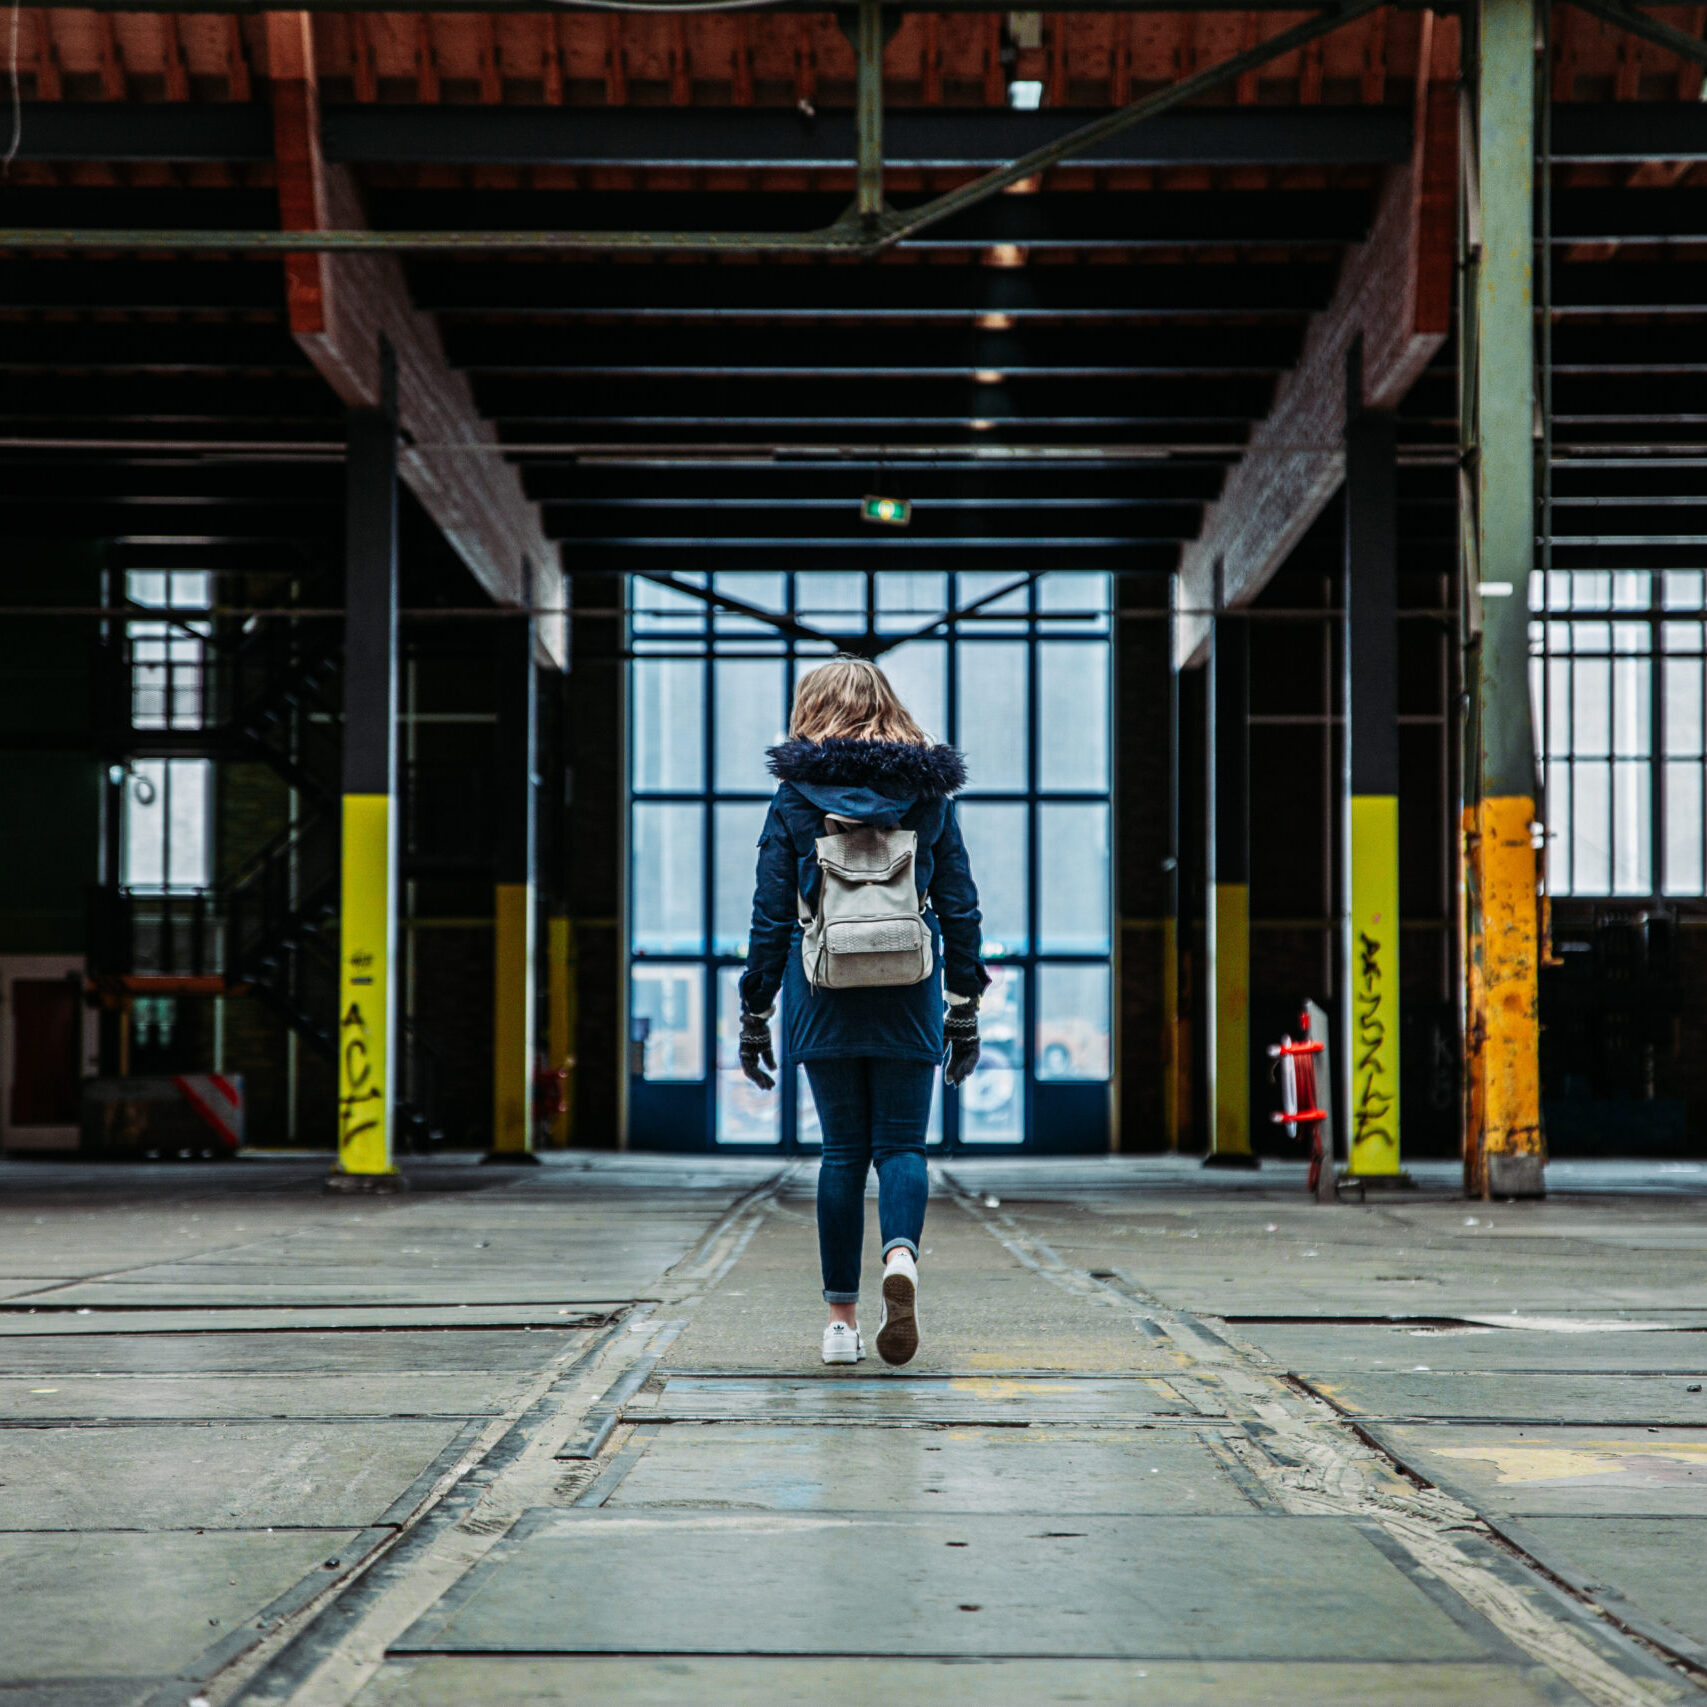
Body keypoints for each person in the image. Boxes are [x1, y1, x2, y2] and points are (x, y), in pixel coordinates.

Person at [737, 655, 989, 1367]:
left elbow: (768, 915)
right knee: (902, 1146)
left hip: (821, 984)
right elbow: (961, 905)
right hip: (908, 982)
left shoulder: (794, 797)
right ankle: (901, 1257)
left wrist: (755, 1008)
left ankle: (841, 1326)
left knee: (841, 1153)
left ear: (810, 708)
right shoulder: (928, 795)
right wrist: (963, 1003)